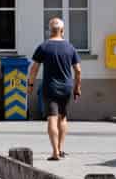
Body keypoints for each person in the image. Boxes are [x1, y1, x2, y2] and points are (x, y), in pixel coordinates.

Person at [28, 17, 82, 161]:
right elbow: (78, 71)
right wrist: (77, 87)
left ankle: (55, 152)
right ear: (62, 31)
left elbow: (34, 68)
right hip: (66, 88)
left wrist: (30, 85)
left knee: (52, 119)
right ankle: (60, 148)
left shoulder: (44, 47)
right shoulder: (70, 47)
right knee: (63, 118)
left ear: (49, 31)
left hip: (49, 88)